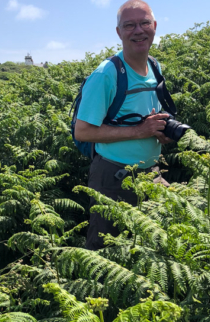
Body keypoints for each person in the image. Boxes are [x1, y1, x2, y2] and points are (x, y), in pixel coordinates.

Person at [75, 0, 173, 251]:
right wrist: (141, 131)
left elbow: (147, 113)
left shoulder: (154, 65)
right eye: (129, 25)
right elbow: (83, 131)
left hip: (151, 172)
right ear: (119, 32)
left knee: (153, 246)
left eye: (144, 23)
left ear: (154, 26)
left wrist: (160, 131)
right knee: (104, 251)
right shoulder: (106, 74)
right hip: (113, 175)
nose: (138, 30)